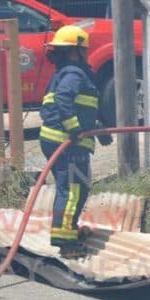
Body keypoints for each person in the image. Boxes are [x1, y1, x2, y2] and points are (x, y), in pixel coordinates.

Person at [38, 25, 110, 259]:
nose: (86, 54)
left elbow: (81, 108)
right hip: (67, 143)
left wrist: (97, 129)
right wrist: (75, 130)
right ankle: (66, 243)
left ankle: (68, 230)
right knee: (72, 190)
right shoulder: (74, 74)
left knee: (76, 187)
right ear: (75, 51)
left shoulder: (65, 73)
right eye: (84, 50)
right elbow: (63, 100)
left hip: (59, 140)